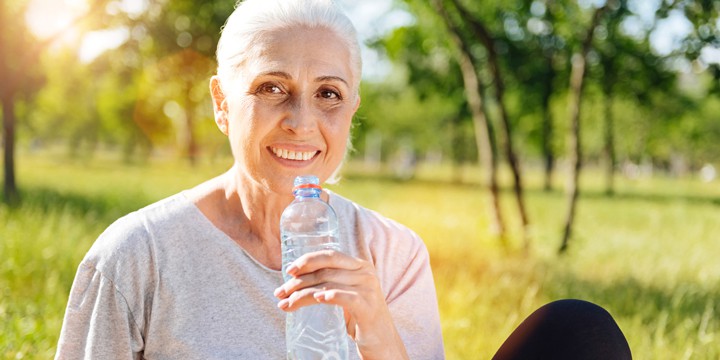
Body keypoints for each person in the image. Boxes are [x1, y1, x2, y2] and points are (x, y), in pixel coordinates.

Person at [56, 1, 631, 359]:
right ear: (222, 102)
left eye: (327, 94)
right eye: (271, 87)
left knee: (577, 332)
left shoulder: (392, 252)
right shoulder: (138, 255)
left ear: (352, 107)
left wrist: (376, 329)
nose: (301, 121)